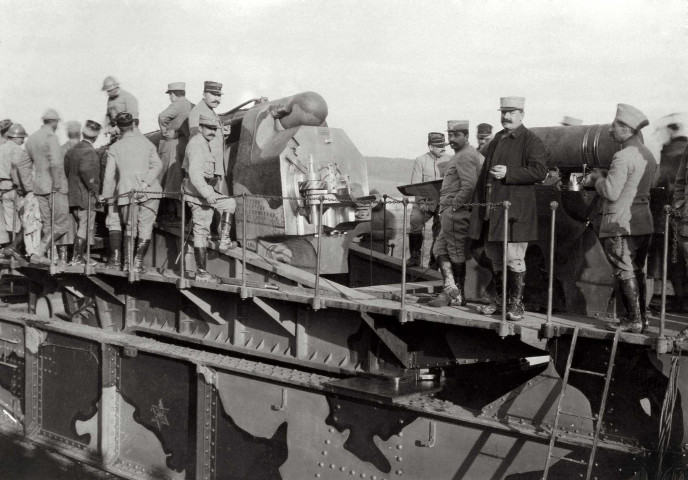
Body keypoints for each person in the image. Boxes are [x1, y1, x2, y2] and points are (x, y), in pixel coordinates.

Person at [468, 96, 548, 321]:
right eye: (503, 112)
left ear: (522, 114)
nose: (506, 116)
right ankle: (500, 301)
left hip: (515, 213)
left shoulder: (531, 141)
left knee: (514, 258)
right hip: (493, 212)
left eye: (512, 112)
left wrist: (509, 173)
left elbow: (539, 171)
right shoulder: (496, 139)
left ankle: (516, 305)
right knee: (495, 257)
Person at [587, 104, 655, 333]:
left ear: (626, 128)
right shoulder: (647, 154)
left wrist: (597, 179)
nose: (609, 131)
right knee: (637, 270)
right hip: (642, 221)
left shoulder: (622, 156)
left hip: (620, 224)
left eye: (614, 126)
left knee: (624, 270)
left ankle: (633, 320)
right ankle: (642, 318)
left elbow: (611, 192)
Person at [429, 120, 483, 307]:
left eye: (456, 135)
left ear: (466, 136)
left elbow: (469, 185)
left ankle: (458, 295)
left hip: (455, 212)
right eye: (450, 135)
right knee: (439, 249)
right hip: (450, 211)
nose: (451, 139)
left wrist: (453, 207)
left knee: (456, 252)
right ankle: (450, 288)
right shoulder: (462, 154)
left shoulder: (465, 156)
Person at [101, 113, 162, 273]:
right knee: (146, 226)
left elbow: (109, 175)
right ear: (133, 125)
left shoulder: (115, 148)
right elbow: (157, 165)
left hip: (127, 193)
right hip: (151, 191)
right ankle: (137, 264)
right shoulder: (146, 143)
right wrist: (145, 182)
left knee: (130, 227)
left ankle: (127, 264)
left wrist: (106, 196)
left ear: (119, 128)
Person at [183, 114, 237, 283]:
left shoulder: (203, 143)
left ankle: (223, 241)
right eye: (209, 128)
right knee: (202, 229)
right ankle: (202, 272)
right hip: (199, 193)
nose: (212, 132)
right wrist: (208, 194)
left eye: (215, 129)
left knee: (203, 229)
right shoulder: (197, 145)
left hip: (203, 191)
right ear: (200, 128)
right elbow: (194, 175)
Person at [650, 116, 688, 312]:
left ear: (670, 131)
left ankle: (681, 301)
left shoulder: (674, 150)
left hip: (674, 213)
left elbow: (669, 181)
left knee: (676, 260)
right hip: (679, 212)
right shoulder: (681, 147)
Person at [24, 109, 71, 265]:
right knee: (62, 224)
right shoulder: (52, 137)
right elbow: (56, 162)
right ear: (55, 122)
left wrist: (29, 185)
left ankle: (52, 257)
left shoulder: (31, 139)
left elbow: (22, 163)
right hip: (54, 188)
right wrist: (57, 184)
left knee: (47, 224)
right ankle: (40, 252)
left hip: (39, 188)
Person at [407, 132, 451, 267]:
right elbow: (415, 184)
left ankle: (434, 261)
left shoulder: (450, 160)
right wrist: (421, 202)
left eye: (444, 146)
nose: (443, 149)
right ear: (431, 147)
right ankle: (415, 256)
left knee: (440, 231)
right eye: (439, 146)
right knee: (415, 221)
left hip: (442, 202)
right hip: (424, 201)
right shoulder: (420, 160)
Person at [64, 120, 102, 266]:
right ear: (96, 137)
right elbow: (87, 173)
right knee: (85, 226)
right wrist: (95, 192)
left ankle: (78, 257)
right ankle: (77, 258)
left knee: (79, 225)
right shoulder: (90, 152)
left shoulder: (71, 150)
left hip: (72, 196)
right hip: (86, 197)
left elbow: (67, 172)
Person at [158, 82, 193, 222]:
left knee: (171, 180)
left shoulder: (176, 105)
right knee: (181, 179)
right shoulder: (192, 105)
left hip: (173, 145)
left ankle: (175, 214)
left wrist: (167, 132)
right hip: (185, 144)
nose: (169, 98)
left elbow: (162, 117)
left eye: (170, 95)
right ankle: (182, 215)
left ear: (173, 94)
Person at [188, 81, 229, 195]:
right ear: (204, 94)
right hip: (206, 170)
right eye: (213, 94)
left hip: (213, 166)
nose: (217, 99)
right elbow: (196, 141)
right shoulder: (198, 112)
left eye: (219, 95)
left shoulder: (209, 110)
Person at [0, 124, 32, 259]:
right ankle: (16, 249)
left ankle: (8, 248)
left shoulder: (0, 148)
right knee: (21, 220)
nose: (23, 141)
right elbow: (19, 170)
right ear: (16, 137)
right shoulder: (17, 150)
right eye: (22, 138)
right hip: (15, 188)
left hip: (2, 189)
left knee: (9, 222)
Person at [356, 189, 396, 254]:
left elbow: (391, 233)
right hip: (363, 246)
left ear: (379, 200)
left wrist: (371, 232)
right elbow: (358, 233)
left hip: (380, 247)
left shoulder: (388, 215)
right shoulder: (365, 214)